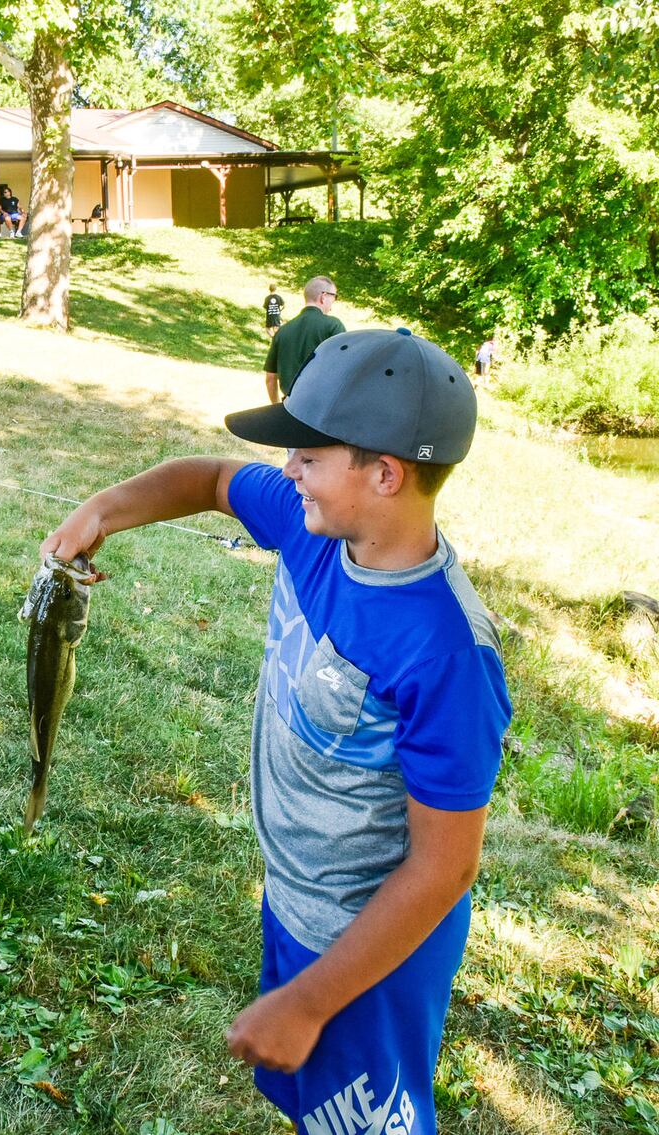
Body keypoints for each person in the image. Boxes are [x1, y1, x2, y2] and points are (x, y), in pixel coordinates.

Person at [44, 328, 510, 1135]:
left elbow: (445, 865)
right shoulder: (314, 527)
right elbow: (215, 479)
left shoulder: (447, 652)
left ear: (385, 473)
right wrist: (101, 512)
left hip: (369, 957)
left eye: (308, 455)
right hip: (299, 901)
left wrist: (309, 999)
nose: (288, 469)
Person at [265, 275, 345, 403]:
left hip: (289, 407)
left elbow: (270, 378)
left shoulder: (283, 330)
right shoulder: (333, 326)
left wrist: (276, 406)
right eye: (334, 297)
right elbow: (343, 369)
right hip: (319, 408)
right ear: (323, 296)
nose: (332, 304)